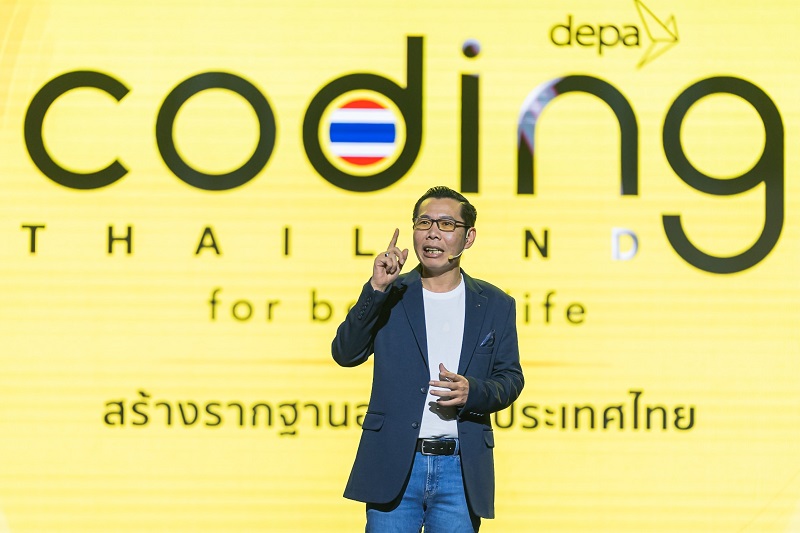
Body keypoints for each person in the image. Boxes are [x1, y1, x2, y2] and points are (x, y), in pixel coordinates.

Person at [332, 186, 524, 532]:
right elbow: (346, 353)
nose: (433, 232)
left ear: (468, 238)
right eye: (424, 222)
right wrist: (376, 289)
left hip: (460, 470)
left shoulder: (495, 303)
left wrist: (473, 391)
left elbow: (510, 379)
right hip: (394, 466)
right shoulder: (392, 294)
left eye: (447, 224)